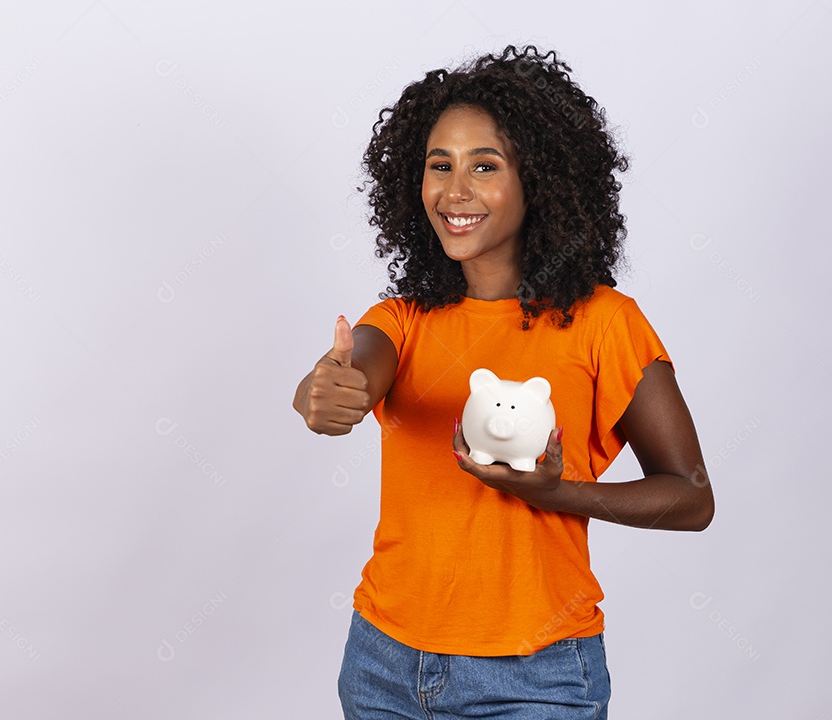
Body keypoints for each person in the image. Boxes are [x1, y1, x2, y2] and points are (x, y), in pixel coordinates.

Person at [293, 44, 714, 719]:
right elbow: (354, 371)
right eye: (440, 166)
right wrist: (325, 392)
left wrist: (560, 492)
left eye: (484, 166)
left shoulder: (605, 323)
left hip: (536, 676)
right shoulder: (398, 321)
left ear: (538, 180)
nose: (455, 191)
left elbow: (692, 499)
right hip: (383, 665)